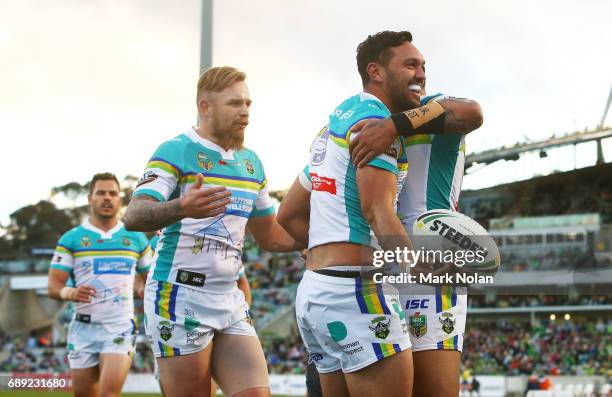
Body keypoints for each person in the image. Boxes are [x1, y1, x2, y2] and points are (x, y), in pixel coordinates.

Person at [280, 31, 482, 397]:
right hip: (380, 272)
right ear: (376, 71)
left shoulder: (426, 111)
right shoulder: (358, 123)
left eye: (424, 66)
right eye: (411, 65)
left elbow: (472, 111)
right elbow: (354, 205)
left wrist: (393, 125)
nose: (421, 74)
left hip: (424, 278)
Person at [123, 66, 303, 397]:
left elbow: (270, 236)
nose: (245, 112)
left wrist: (315, 241)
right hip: (178, 296)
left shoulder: (252, 163)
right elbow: (133, 215)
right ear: (205, 106)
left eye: (249, 104)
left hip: (229, 298)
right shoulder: (176, 150)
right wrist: (181, 208)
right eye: (235, 103)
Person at [48, 173, 151, 397]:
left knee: (108, 394)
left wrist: (142, 287)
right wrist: (71, 292)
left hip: (119, 326)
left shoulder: (136, 238)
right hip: (82, 328)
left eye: (113, 193)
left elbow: (151, 277)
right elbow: (53, 286)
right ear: (89, 198)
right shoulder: (71, 239)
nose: (107, 198)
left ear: (120, 200)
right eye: (101, 193)